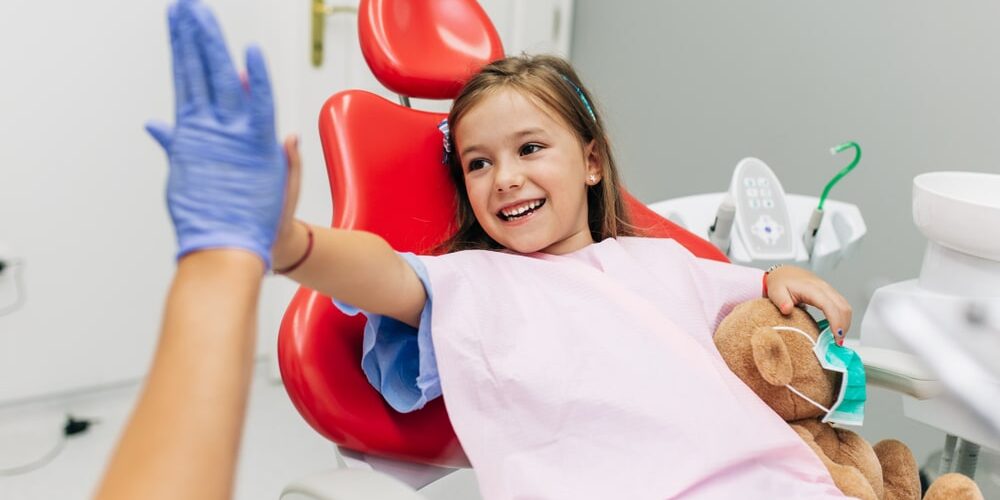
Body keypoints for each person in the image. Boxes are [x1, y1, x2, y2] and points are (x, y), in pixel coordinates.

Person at [103, 0, 854, 497]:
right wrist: (289, 241)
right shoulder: (479, 283)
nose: (506, 179)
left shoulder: (664, 261)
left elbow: (749, 292)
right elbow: (386, 274)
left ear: (592, 162)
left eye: (531, 148)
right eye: (479, 163)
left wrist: (781, 274)